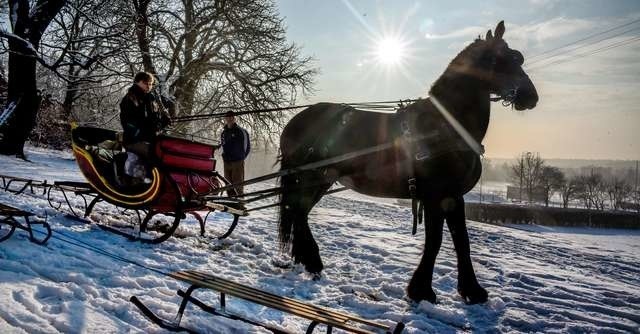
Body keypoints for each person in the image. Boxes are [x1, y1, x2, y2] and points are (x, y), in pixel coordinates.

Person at [119, 71, 171, 182]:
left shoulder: (151, 99)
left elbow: (154, 121)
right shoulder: (130, 99)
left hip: (150, 138)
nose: (149, 86)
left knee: (166, 149)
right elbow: (127, 123)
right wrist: (143, 131)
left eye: (151, 84)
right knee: (154, 151)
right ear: (137, 82)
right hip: (133, 141)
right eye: (145, 83)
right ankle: (149, 178)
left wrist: (162, 122)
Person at [220, 111, 250, 196]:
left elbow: (247, 147)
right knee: (228, 185)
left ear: (234, 118)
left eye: (231, 117)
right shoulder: (224, 132)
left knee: (238, 186)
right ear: (225, 118)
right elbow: (223, 146)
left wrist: (241, 158)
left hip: (237, 162)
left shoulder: (241, 131)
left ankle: (239, 205)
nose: (229, 119)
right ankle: (230, 204)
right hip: (226, 162)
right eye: (228, 117)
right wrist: (224, 157)